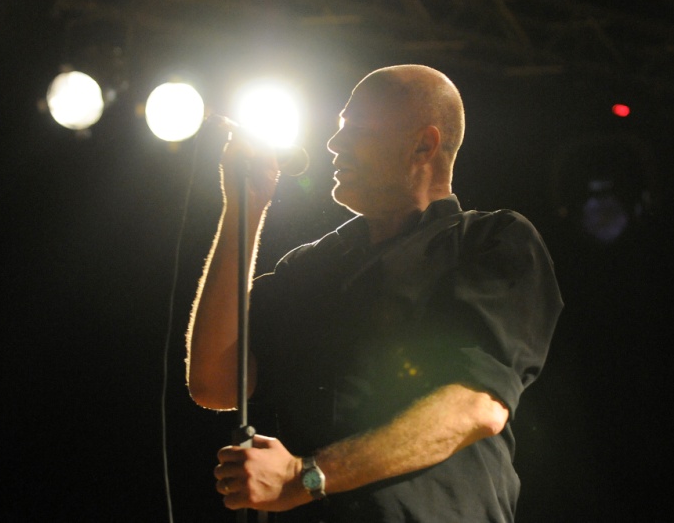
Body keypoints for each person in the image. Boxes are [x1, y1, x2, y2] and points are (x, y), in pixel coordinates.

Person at [186, 65, 563, 522]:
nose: (333, 143)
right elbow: (214, 382)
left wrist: (306, 476)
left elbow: (476, 406)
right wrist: (243, 207)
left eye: (356, 128)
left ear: (423, 145)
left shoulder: (491, 240)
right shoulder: (310, 267)